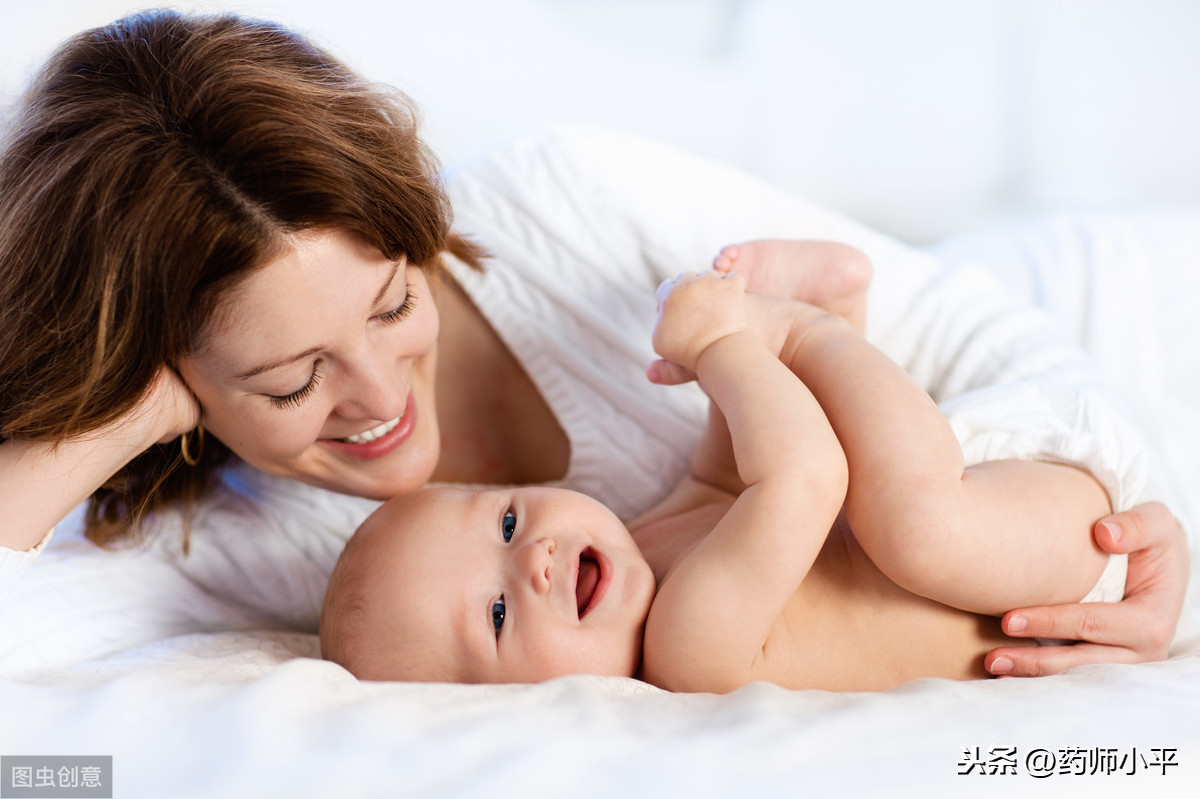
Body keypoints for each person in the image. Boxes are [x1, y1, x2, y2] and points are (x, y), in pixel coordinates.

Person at [0, 10, 1185, 678]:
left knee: (922, 515)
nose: (375, 398)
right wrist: (123, 411)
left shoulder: (561, 203)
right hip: (861, 421)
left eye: (388, 304)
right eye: (289, 377)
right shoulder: (227, 534)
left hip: (1076, 332)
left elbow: (994, 350)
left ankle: (815, 315)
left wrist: (1135, 511)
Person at [319, 246, 1135, 691]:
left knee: (913, 522)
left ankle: (822, 319)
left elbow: (724, 473)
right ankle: (813, 326)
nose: (531, 558)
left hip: (1021, 507)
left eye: (504, 523)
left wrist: (727, 380)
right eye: (496, 615)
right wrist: (723, 347)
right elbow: (802, 478)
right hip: (1060, 578)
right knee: (911, 525)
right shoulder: (686, 648)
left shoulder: (641, 539)